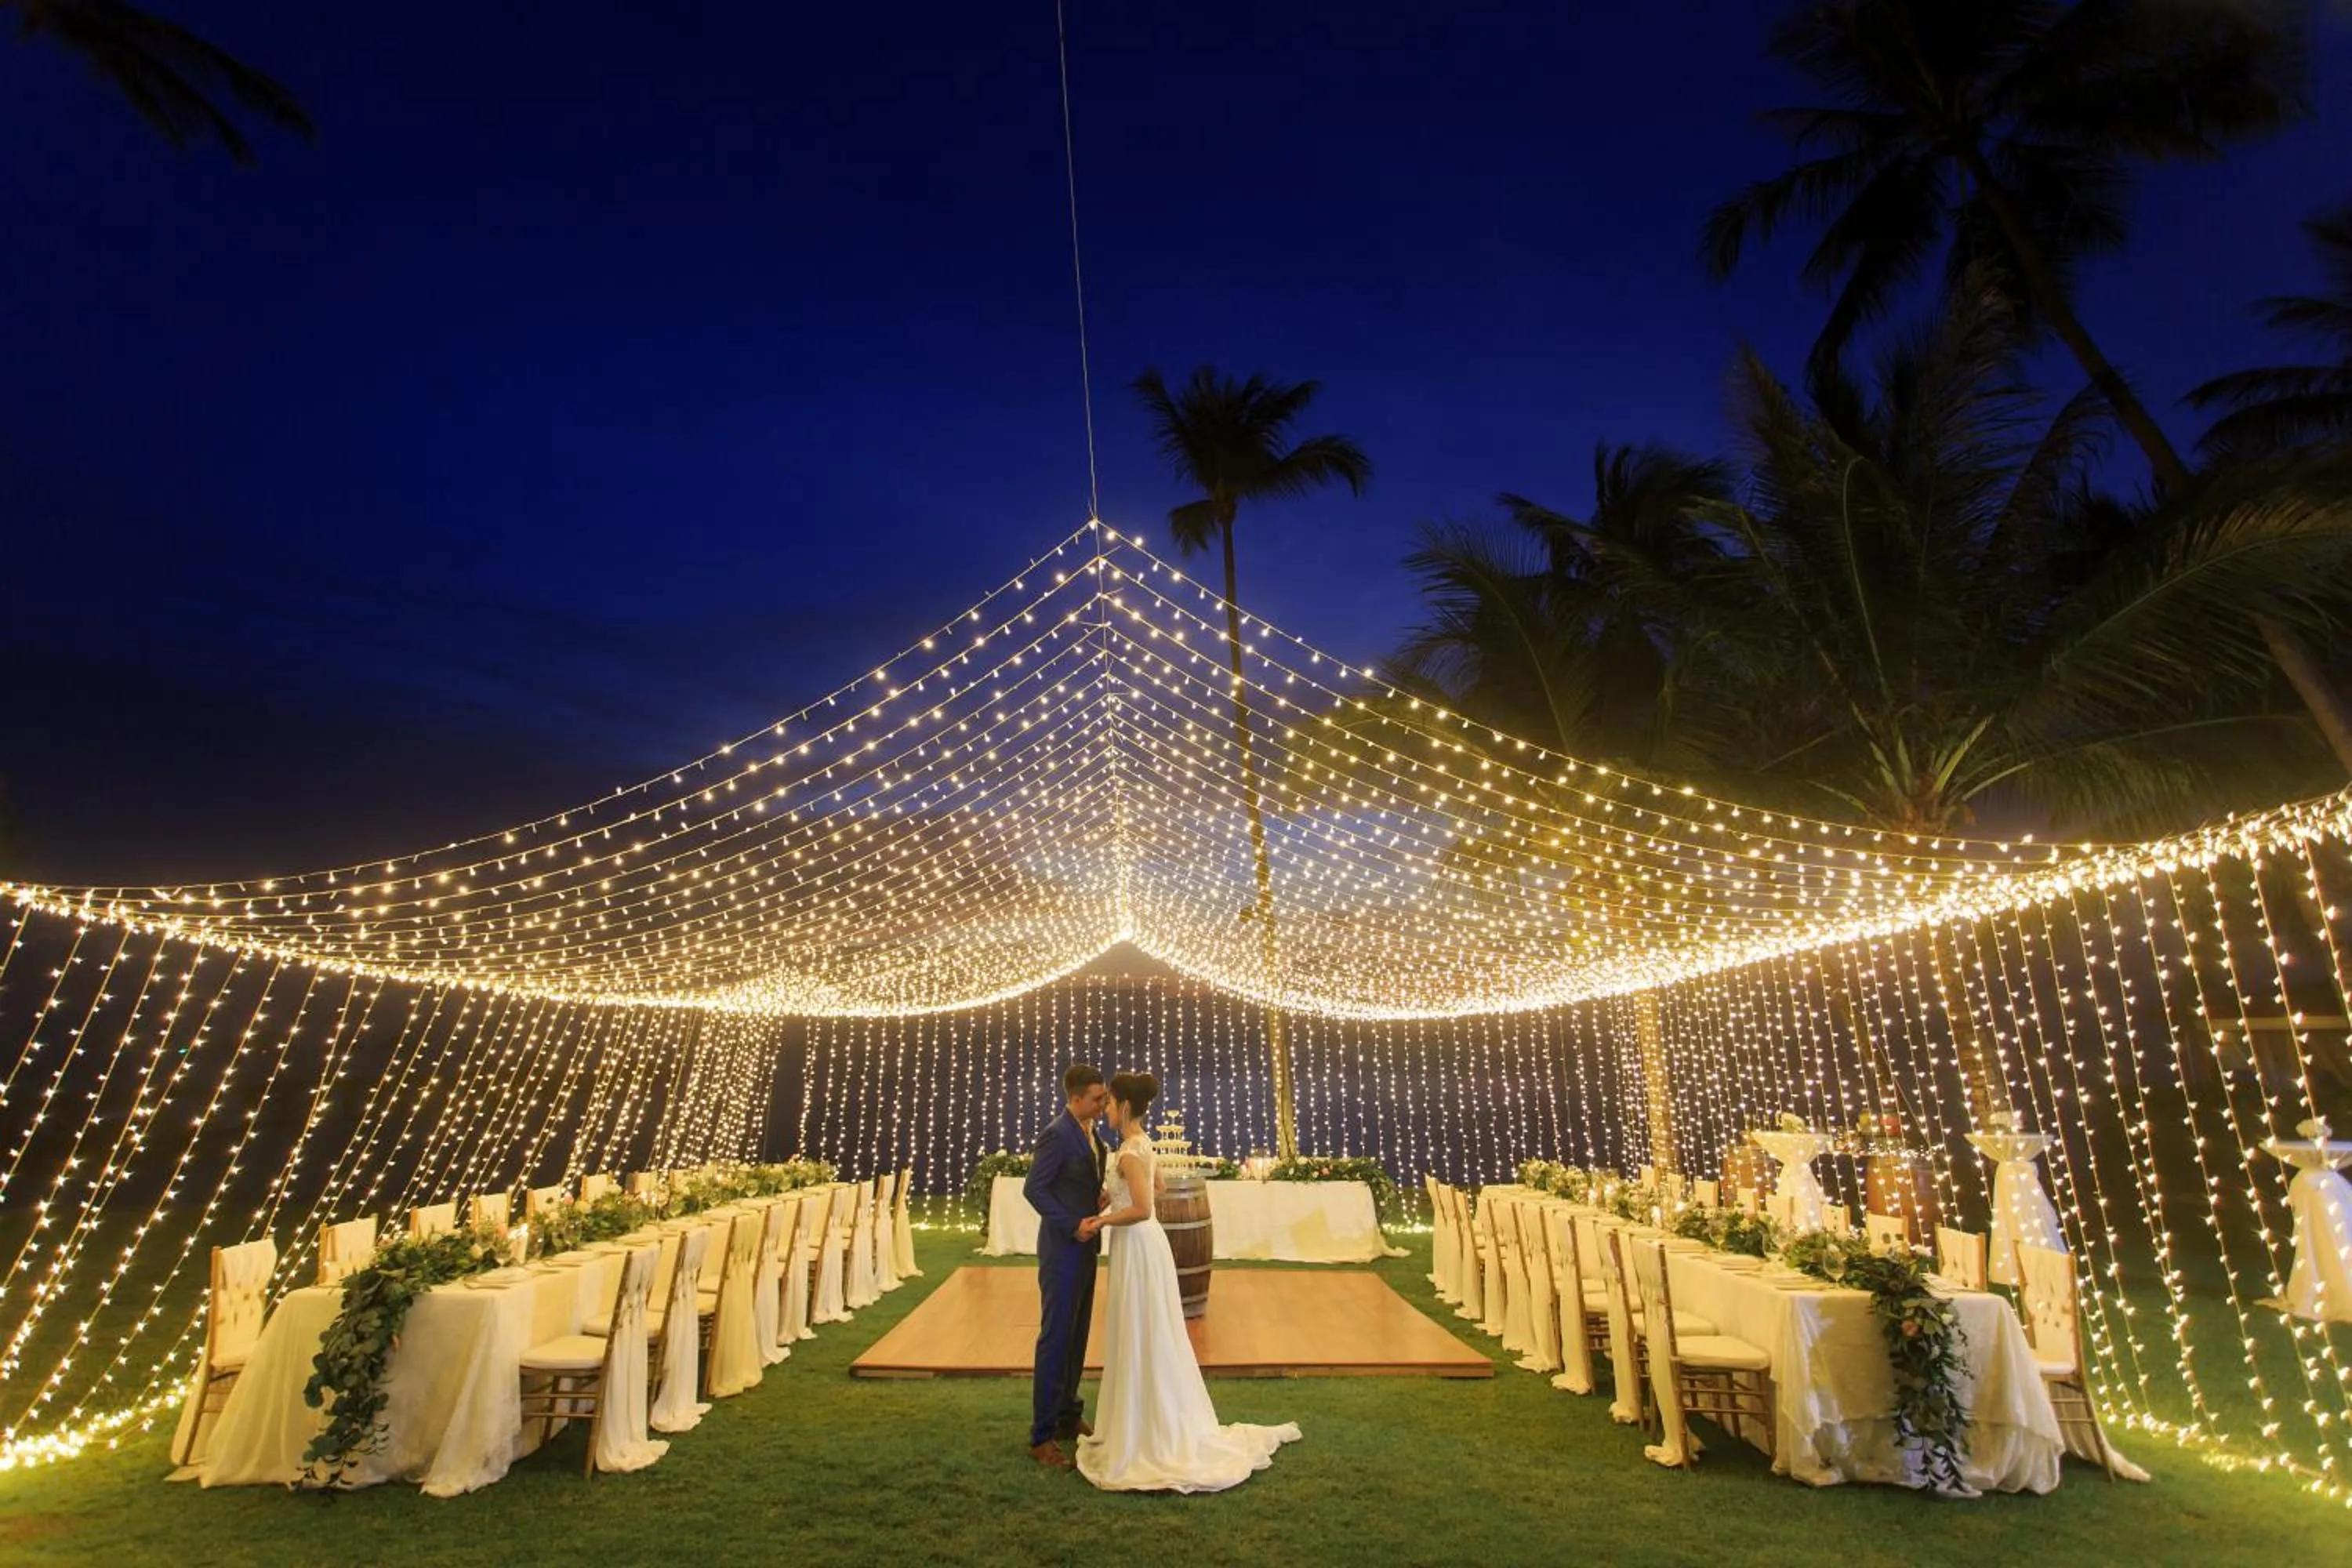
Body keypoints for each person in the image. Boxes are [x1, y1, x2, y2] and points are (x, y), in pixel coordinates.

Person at [1076, 1069, 1300, 1492]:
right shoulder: (1142, 1145)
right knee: (1150, 1331)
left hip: (1137, 1245)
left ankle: (1145, 1430)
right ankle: (1154, 1417)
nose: (1104, 1108)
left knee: (1141, 1330)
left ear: (1123, 1105)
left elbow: (1144, 1207)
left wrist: (1103, 1218)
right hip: (1145, 1246)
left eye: (1108, 1102)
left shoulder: (1127, 1151)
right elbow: (1157, 1185)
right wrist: (1117, 1194)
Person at [1023, 1062, 1112, 1468]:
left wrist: (1097, 1201)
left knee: (1077, 1337)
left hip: (1087, 1248)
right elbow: (1035, 1189)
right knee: (1056, 1338)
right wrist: (1070, 1223)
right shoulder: (1056, 1135)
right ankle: (1041, 1437)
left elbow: (1079, 1183)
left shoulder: (1093, 1135)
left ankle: (1067, 1415)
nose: (1104, 1101)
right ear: (1075, 1099)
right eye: (1097, 1097)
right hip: (1062, 1251)